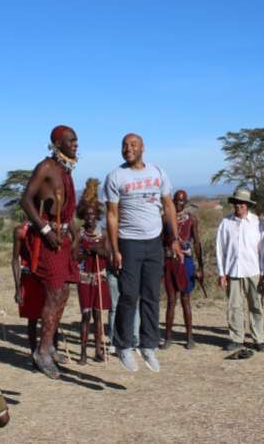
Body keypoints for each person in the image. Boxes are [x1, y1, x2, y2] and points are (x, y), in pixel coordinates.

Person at [104, 132, 182, 373]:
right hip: (129, 242)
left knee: (151, 295)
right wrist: (115, 249)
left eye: (133, 144)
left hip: (154, 242)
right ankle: (123, 345)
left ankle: (148, 345)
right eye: (124, 145)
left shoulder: (158, 172)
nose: (128, 148)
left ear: (142, 148)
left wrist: (174, 239)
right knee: (128, 295)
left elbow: (168, 205)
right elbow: (112, 215)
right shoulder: (115, 176)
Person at [19, 125, 79, 379]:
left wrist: (75, 235)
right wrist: (45, 231)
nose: (75, 144)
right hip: (47, 241)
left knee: (63, 293)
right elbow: (25, 200)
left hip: (62, 239)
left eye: (76, 140)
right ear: (57, 144)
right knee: (53, 294)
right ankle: (42, 352)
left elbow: (66, 211)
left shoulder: (65, 170)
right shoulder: (45, 167)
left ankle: (49, 345)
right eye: (71, 140)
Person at [215, 188, 264, 353]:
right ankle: (237, 339)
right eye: (237, 203)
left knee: (256, 306)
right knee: (234, 307)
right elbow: (220, 249)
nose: (239, 205)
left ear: (247, 205)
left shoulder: (257, 222)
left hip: (253, 271)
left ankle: (259, 339)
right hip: (233, 272)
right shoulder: (226, 223)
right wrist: (221, 273)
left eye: (242, 203)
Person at [10, 222, 62, 364]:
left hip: (48, 278)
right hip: (29, 279)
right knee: (32, 320)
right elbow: (15, 260)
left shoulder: (50, 229)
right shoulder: (20, 231)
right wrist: (17, 288)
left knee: (51, 318)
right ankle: (35, 355)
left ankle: (51, 352)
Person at [73, 178, 112, 364]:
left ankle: (98, 350)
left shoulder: (103, 234)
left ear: (97, 215)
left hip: (100, 278)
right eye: (87, 215)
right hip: (84, 279)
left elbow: (109, 255)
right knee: (85, 316)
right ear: (83, 215)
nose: (90, 218)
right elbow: (74, 257)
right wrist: (85, 253)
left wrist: (99, 250)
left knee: (98, 316)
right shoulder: (79, 234)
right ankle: (82, 353)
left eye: (93, 214)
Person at [162, 190, 204, 350]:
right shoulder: (165, 219)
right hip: (169, 262)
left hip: (186, 262)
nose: (179, 203)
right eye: (176, 200)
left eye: (182, 201)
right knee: (171, 301)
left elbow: (197, 243)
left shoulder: (191, 219)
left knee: (185, 299)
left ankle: (189, 337)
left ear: (186, 202)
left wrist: (200, 267)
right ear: (172, 201)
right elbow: (160, 242)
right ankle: (167, 337)